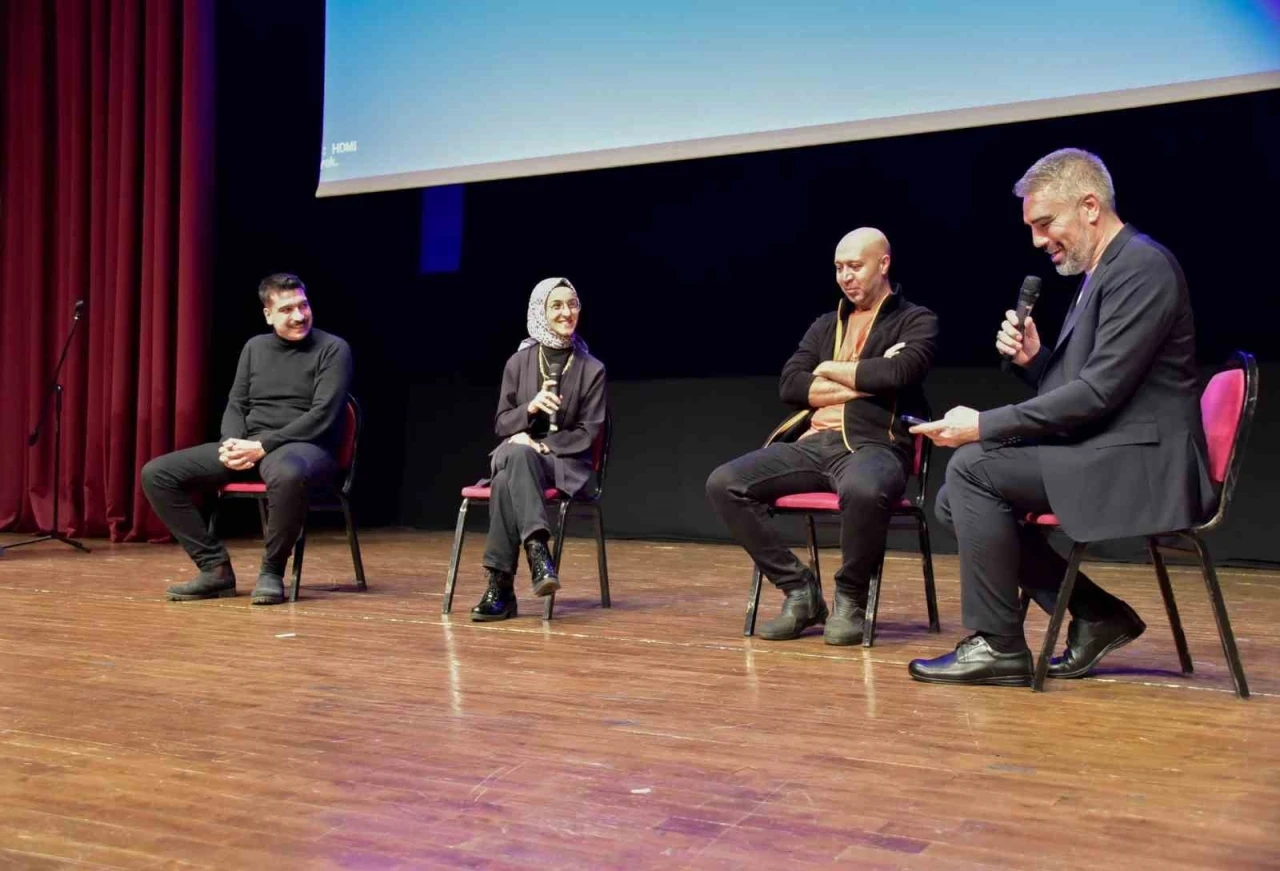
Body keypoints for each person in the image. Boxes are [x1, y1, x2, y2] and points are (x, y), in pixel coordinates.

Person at [908, 148, 1216, 686]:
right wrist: (1037, 362)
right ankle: (1097, 615)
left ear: (1090, 206)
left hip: (1145, 462)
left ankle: (1000, 645)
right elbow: (1086, 387)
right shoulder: (1104, 272)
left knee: (972, 469)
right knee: (957, 496)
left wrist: (984, 424)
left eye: (1046, 223)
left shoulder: (1142, 268)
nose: (1037, 240)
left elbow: (1096, 395)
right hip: (1114, 445)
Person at [706, 228, 938, 644]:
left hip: (875, 446)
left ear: (883, 264)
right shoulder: (825, 326)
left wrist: (827, 369)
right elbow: (790, 386)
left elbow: (900, 373)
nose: (845, 276)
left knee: (865, 489)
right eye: (838, 268)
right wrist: (864, 374)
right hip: (813, 445)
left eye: (855, 266)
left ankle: (850, 596)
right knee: (725, 483)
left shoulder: (916, 319)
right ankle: (800, 592)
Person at [141, 273, 353, 606]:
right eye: (287, 309)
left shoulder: (333, 349)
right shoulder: (255, 347)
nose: (299, 315)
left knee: (288, 473)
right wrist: (231, 444)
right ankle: (214, 569)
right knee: (158, 474)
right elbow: (237, 403)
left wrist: (263, 445)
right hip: (251, 447)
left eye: (303, 305)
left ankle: (271, 571)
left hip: (307, 448)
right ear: (268, 314)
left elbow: (322, 415)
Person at [469, 277, 607, 622]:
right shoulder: (519, 362)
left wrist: (541, 444)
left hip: (566, 464)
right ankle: (537, 551)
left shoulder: (592, 369)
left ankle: (501, 585)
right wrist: (530, 409)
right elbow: (502, 424)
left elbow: (588, 432)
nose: (566, 313)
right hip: (520, 458)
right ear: (540, 311)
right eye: (556, 305)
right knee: (515, 456)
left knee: (508, 471)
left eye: (572, 304)